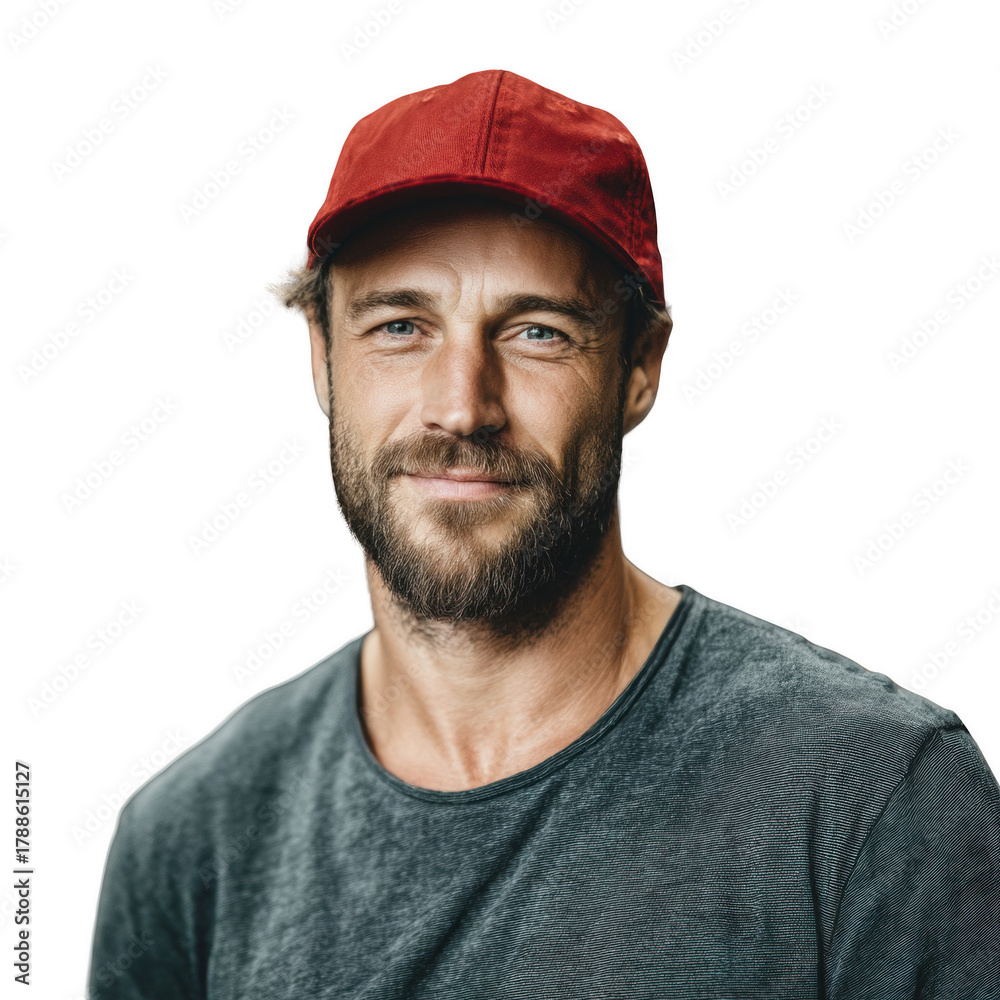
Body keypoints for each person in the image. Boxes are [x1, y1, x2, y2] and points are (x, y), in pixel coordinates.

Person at [88, 68, 1000, 999]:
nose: (461, 406)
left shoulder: (871, 800)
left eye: (537, 333)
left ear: (639, 367)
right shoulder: (189, 842)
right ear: (323, 357)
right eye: (402, 325)